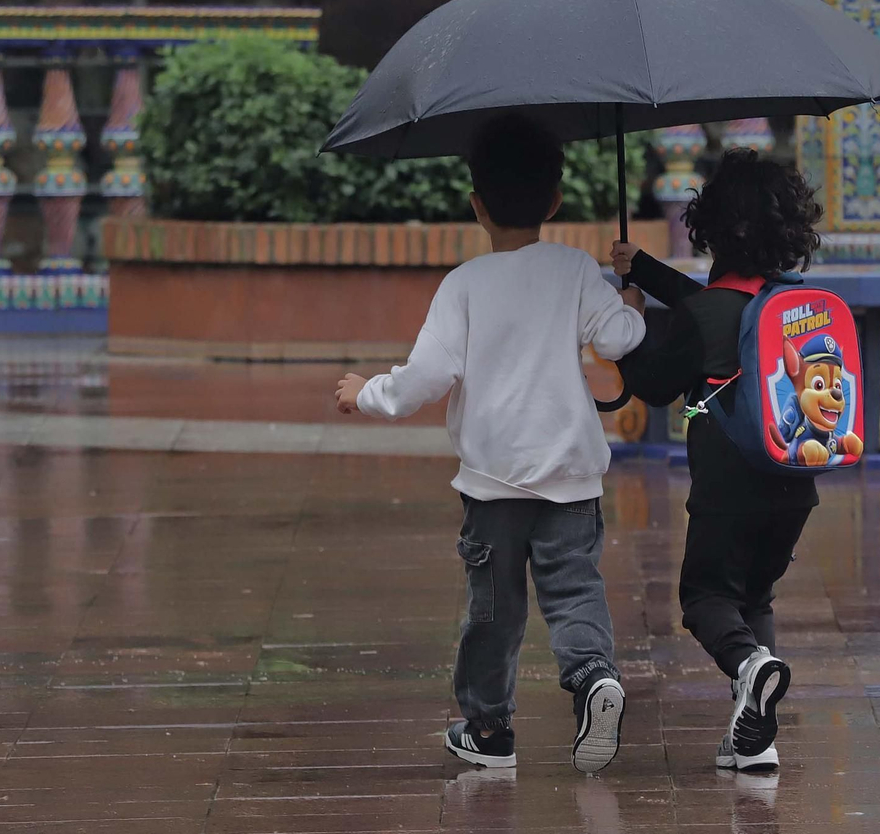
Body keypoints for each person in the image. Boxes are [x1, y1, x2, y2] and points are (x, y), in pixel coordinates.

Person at [334, 113, 647, 774]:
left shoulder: (464, 286)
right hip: (570, 476)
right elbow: (618, 341)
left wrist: (367, 392)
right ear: (555, 201)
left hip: (494, 484)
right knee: (575, 589)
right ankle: (593, 676)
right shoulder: (574, 269)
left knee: (493, 612)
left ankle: (489, 728)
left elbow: (424, 380)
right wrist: (632, 304)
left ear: (476, 205)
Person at [611, 147, 821, 773]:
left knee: (705, 598)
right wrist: (643, 269)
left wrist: (628, 324)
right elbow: (716, 305)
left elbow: (653, 384)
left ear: (712, 227)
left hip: (726, 485)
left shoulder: (704, 314)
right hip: (794, 482)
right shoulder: (791, 304)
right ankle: (756, 739)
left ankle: (750, 664)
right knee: (754, 597)